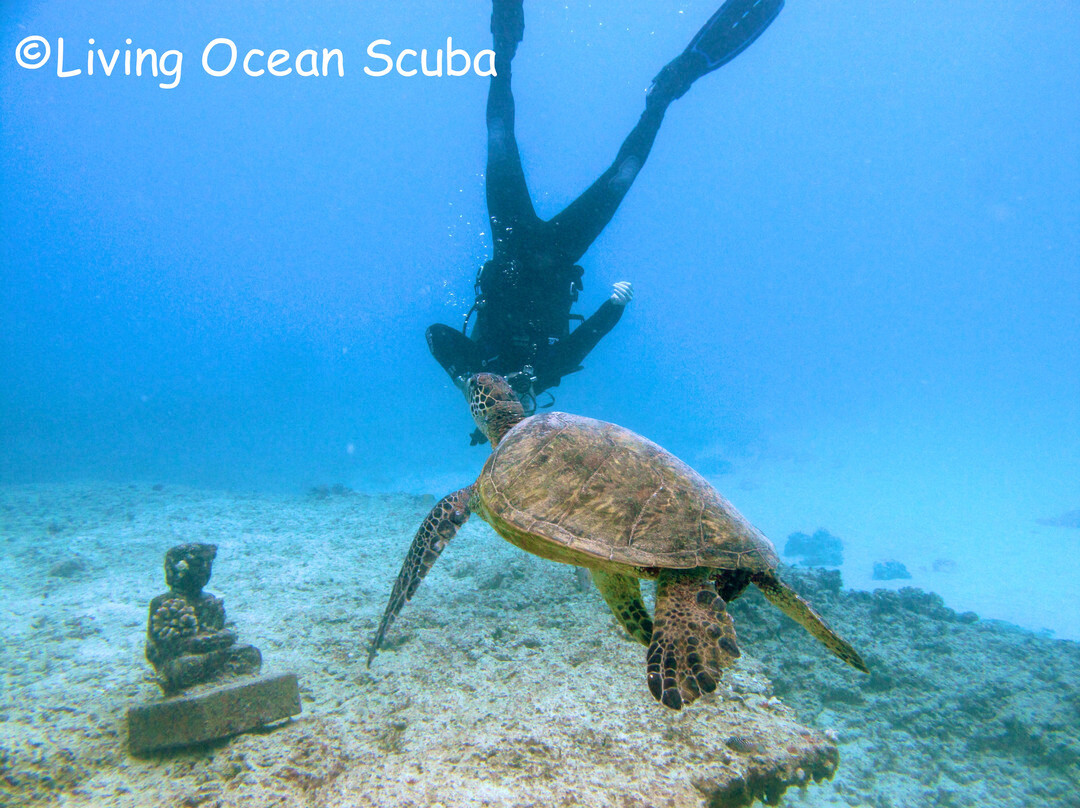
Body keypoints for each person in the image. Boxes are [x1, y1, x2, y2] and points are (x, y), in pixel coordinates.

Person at [427, 0, 784, 424]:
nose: (518, 401)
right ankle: (663, 97)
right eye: (523, 405)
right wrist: (614, 307)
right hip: (561, 254)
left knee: (499, 139)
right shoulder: (546, 372)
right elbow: (585, 340)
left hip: (511, 241)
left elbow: (437, 336)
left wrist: (470, 381)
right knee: (622, 176)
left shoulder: (478, 364)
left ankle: (501, 53)